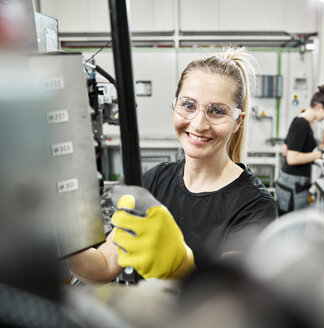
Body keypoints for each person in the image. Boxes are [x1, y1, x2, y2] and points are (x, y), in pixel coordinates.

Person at [68, 47, 277, 283]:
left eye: (217, 111)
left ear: (238, 121)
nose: (199, 124)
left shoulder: (255, 206)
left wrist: (180, 268)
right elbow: (103, 266)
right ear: (175, 105)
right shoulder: (153, 181)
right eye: (188, 105)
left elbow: (226, 306)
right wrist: (59, 237)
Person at [276, 85, 324, 215]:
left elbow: (285, 148)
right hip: (293, 185)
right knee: (294, 228)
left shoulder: (303, 121)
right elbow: (291, 158)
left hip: (292, 183)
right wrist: (320, 154)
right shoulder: (302, 124)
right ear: (320, 107)